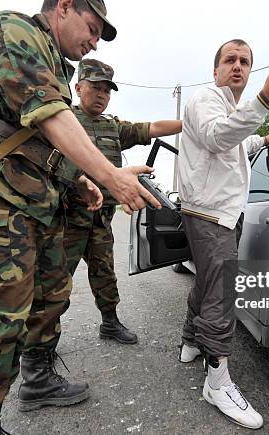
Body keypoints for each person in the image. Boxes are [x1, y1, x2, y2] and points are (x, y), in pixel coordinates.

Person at [0, 1, 161, 433]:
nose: (95, 40)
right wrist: (110, 176)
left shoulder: (54, 62)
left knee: (51, 296)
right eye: (92, 27)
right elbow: (51, 117)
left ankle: (38, 379)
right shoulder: (14, 30)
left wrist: (82, 181)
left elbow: (41, 141)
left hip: (37, 207)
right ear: (64, 7)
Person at [176, 39, 269, 429]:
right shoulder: (205, 99)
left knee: (207, 283)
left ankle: (190, 341)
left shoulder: (231, 109)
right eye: (230, 60)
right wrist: (266, 99)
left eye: (245, 61)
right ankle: (218, 384)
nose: (238, 66)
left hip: (217, 214)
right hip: (210, 214)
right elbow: (217, 137)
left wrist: (263, 139)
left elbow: (237, 141)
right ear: (215, 70)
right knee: (221, 293)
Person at [64, 59, 182, 344]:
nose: (102, 94)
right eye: (96, 87)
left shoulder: (113, 127)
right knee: (54, 283)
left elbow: (151, 127)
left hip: (100, 221)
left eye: (107, 89)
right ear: (79, 87)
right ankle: (40, 349)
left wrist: (191, 122)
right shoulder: (63, 121)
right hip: (64, 220)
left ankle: (110, 323)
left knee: (105, 274)